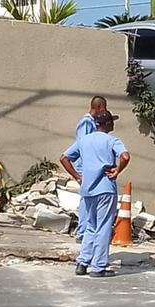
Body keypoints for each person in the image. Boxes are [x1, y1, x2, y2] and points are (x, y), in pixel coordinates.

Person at [60, 108, 130, 278]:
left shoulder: (84, 140)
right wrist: (117, 170)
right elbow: (125, 156)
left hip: (87, 189)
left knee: (90, 226)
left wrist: (77, 176)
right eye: (112, 121)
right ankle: (98, 267)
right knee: (103, 227)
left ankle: (83, 263)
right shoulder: (112, 140)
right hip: (105, 188)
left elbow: (64, 158)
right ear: (107, 124)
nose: (113, 123)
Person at [71, 96, 107, 242]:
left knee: (91, 197)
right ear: (98, 108)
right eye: (104, 108)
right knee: (86, 199)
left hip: (90, 166)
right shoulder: (86, 122)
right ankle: (83, 231)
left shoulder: (92, 122)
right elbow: (83, 144)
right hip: (85, 167)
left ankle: (88, 230)